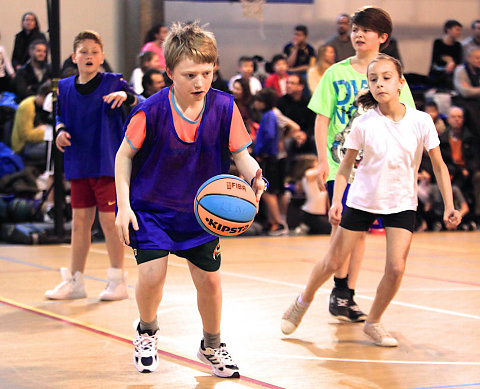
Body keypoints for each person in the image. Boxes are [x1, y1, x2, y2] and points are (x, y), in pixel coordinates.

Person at [115, 22, 266, 377]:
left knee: (210, 282)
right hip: (152, 209)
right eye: (190, 75)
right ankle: (147, 332)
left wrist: (254, 176)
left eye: (207, 73)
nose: (200, 83)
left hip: (200, 213)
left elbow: (242, 156)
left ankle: (211, 345)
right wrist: (124, 207)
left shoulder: (225, 108)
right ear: (169, 73)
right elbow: (124, 156)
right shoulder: (149, 111)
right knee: (152, 276)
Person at [281, 53, 462, 347]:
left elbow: (439, 166)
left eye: (386, 78)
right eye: (373, 79)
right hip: (362, 202)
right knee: (333, 261)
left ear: (401, 82)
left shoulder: (421, 121)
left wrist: (451, 205)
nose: (380, 84)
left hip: (402, 203)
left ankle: (374, 322)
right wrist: (338, 200)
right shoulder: (364, 123)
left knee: (396, 269)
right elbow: (344, 169)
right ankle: (302, 301)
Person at [307, 6, 416, 323]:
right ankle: (338, 290)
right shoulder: (335, 73)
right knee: (340, 227)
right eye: (355, 29)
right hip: (340, 162)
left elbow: (404, 120)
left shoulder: (392, 76)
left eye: (365, 30)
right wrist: (320, 159)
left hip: (374, 169)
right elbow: (322, 119)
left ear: (382, 37)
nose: (358, 34)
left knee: (361, 234)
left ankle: (345, 295)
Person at [45, 30, 138, 301]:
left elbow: (141, 103)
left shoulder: (114, 82)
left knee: (110, 223)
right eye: (83, 51)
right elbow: (60, 116)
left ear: (102, 57)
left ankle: (117, 280)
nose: (89, 56)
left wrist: (126, 96)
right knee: (79, 223)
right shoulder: (63, 87)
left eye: (94, 51)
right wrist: (60, 130)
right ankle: (75, 282)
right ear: (74, 57)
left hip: (108, 162)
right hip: (79, 161)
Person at [10, 81, 51, 164]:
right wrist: (45, 131)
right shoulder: (27, 106)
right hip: (24, 146)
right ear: (43, 96)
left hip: (37, 141)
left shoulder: (42, 108)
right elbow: (27, 135)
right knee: (56, 148)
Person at [292, 154, 331, 235]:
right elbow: (309, 174)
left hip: (316, 213)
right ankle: (305, 227)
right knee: (330, 230)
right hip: (311, 213)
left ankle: (306, 228)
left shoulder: (314, 176)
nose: (318, 163)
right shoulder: (309, 174)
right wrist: (326, 166)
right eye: (316, 162)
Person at [278, 74, 316, 138]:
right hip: (287, 135)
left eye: (292, 83)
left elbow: (312, 124)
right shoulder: (280, 102)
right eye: (287, 83)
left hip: (305, 135)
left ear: (301, 86)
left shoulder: (308, 102)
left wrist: (304, 134)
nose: (288, 86)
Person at [429, 20, 463, 90]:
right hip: (439, 71)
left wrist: (453, 63)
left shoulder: (458, 45)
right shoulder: (438, 42)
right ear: (448, 30)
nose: (459, 33)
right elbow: (436, 60)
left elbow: (459, 60)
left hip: (452, 73)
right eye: (457, 30)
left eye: (460, 30)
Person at [453, 47, 480, 134]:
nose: (479, 60)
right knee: (472, 112)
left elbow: (470, 91)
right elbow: (465, 92)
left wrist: (472, 89)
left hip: (477, 100)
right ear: (468, 58)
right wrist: (470, 90)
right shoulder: (460, 71)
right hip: (463, 100)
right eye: (477, 58)